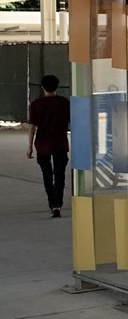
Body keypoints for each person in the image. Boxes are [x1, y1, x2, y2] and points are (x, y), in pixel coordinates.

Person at [27, 74, 70, 218]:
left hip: (42, 144)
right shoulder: (64, 103)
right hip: (60, 143)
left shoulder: (36, 104)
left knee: (47, 175)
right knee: (59, 175)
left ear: (42, 88)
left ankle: (52, 203)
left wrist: (30, 146)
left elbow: (33, 127)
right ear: (57, 87)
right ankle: (58, 203)